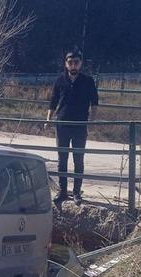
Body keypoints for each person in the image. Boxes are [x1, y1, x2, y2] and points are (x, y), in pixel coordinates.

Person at [46, 51, 99, 206]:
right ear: (66, 63)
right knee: (62, 160)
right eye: (70, 62)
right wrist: (48, 119)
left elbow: (94, 102)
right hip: (62, 124)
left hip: (80, 125)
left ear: (81, 63)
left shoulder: (88, 81)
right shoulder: (60, 81)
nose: (73, 65)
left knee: (78, 160)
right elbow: (53, 101)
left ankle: (76, 192)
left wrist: (92, 121)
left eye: (76, 62)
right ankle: (62, 191)